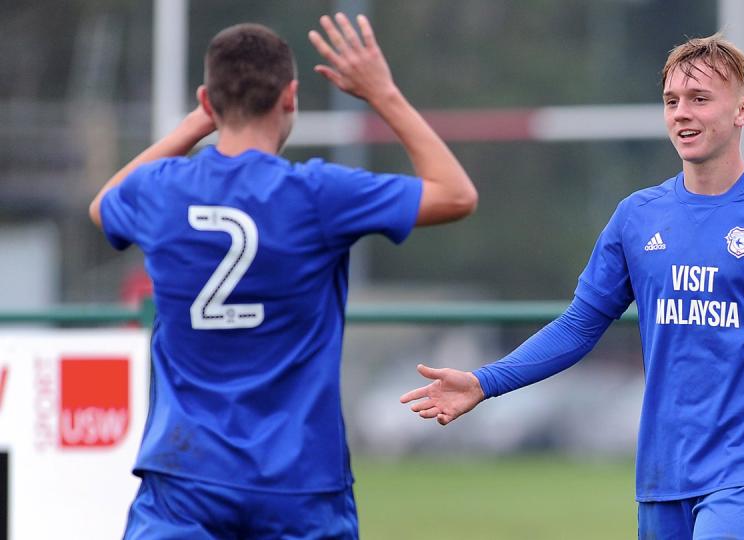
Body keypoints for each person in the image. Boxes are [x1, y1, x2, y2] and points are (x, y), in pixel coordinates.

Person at [401, 34, 744, 539]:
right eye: (672, 101)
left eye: (700, 99)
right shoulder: (637, 216)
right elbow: (578, 326)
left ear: (743, 111)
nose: (682, 113)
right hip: (663, 468)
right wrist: (483, 382)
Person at [89, 13, 477, 539]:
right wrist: (382, 93)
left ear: (207, 101)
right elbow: (456, 194)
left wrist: (195, 124)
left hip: (185, 477)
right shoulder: (318, 194)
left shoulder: (161, 189)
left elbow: (103, 206)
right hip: (298, 484)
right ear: (290, 96)